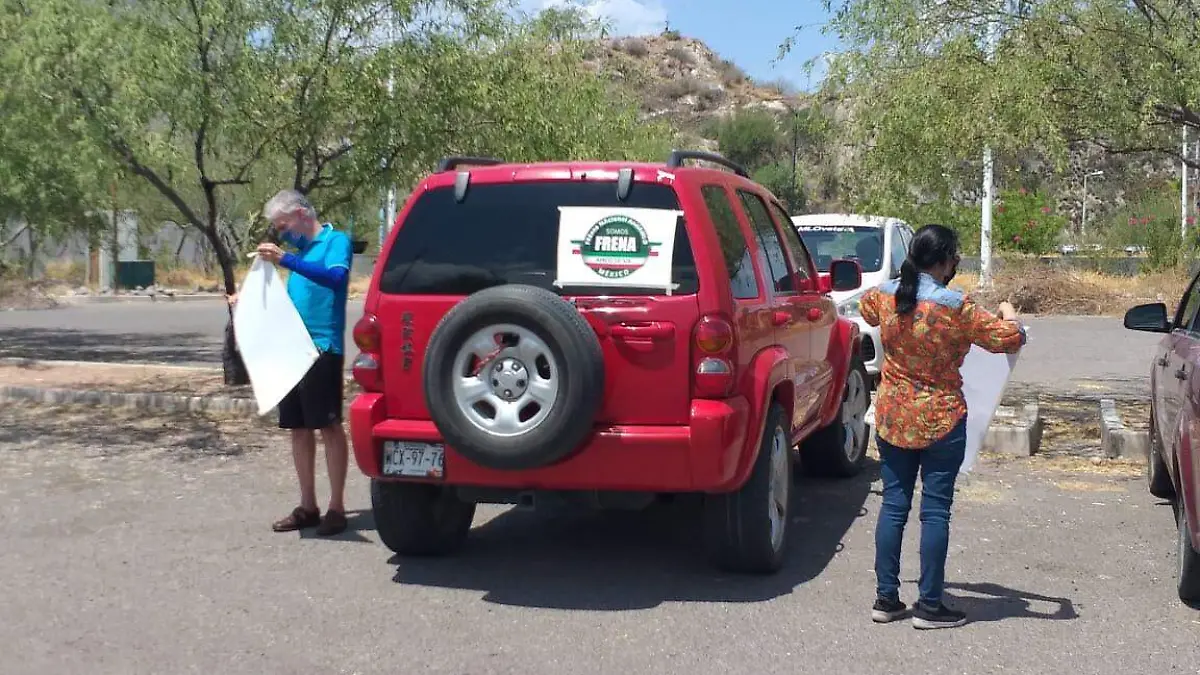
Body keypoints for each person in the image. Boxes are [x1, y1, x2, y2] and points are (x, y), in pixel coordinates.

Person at [859, 223, 1026, 629]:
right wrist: (1010, 314)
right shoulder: (956, 306)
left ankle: (886, 598)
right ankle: (930, 605)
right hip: (941, 419)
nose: (956, 264)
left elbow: (865, 309)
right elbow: (1008, 338)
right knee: (935, 512)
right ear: (944, 260)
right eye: (955, 257)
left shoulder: (885, 296)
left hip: (894, 416)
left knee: (894, 506)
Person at [228, 189, 354, 536]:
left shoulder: (335, 242)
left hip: (322, 349)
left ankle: (337, 506)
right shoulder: (299, 256)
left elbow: (336, 279)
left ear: (301, 213)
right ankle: (308, 504)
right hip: (291, 350)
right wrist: (249, 299)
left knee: (328, 426)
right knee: (298, 428)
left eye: (283, 226)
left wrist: (287, 260)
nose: (283, 234)